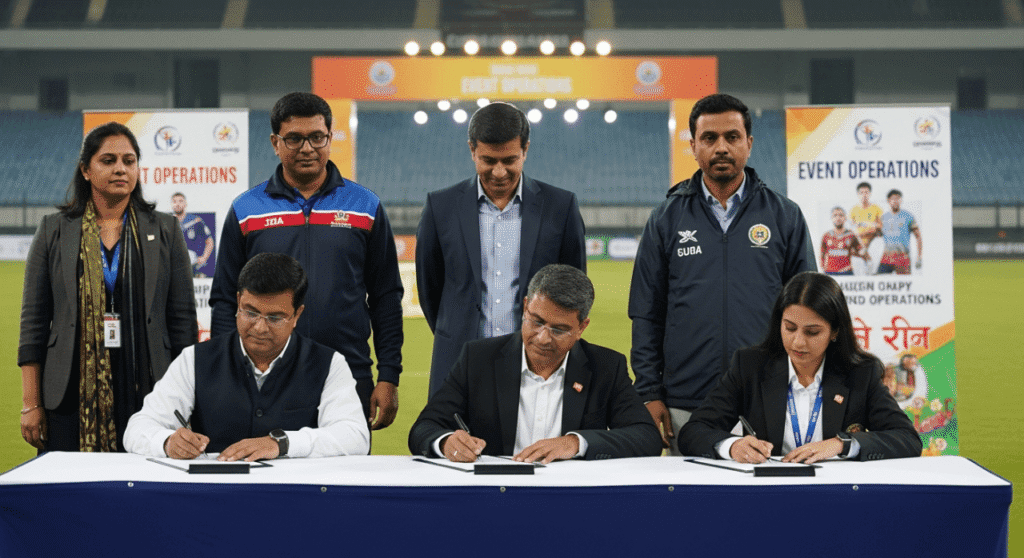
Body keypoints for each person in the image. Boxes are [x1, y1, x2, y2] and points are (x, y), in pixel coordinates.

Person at [628, 93, 816, 454]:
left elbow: (808, 312)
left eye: (732, 137)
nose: (721, 148)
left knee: (772, 501)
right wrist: (649, 393)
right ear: (693, 146)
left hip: (769, 396)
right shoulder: (666, 219)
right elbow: (646, 314)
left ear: (749, 143)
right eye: (709, 138)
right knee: (690, 506)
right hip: (686, 400)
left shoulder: (784, 216)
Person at [210, 92, 403, 430]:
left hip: (347, 371)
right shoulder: (246, 209)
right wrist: (227, 372)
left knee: (346, 478)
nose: (307, 148)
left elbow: (386, 297)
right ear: (275, 142)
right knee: (270, 476)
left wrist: (388, 375)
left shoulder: (365, 205)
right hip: (265, 373)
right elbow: (225, 298)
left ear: (330, 137)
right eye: (294, 139)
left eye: (317, 137)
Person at [19, 122, 197, 452]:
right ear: (86, 170)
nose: (120, 169)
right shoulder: (54, 230)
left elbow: (183, 322)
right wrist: (31, 403)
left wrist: (185, 400)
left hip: (148, 387)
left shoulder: (166, 230)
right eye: (108, 160)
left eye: (129, 161)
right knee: (70, 492)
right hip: (70, 391)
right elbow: (33, 323)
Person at [125, 253, 370, 460]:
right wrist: (167, 441)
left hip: (295, 501)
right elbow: (138, 428)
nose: (260, 328)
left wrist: (282, 443)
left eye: (275, 318)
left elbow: (356, 436)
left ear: (297, 315)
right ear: (238, 302)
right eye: (250, 312)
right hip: (216, 500)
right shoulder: (195, 359)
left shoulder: (329, 364)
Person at [416, 102, 586, 397]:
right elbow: (430, 289)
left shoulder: (560, 207)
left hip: (537, 367)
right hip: (459, 363)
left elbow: (574, 290)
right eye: (488, 160)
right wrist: (456, 330)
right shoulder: (440, 207)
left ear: (526, 150)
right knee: (457, 444)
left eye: (509, 160)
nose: (498, 172)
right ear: (472, 150)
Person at [409, 264, 661, 463]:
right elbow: (424, 427)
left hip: (571, 499)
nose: (543, 338)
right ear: (526, 307)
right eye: (536, 321)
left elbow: (647, 438)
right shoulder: (478, 358)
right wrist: (444, 442)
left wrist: (575, 443)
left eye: (559, 330)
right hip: (494, 497)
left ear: (582, 327)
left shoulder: (606, 366)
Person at [678, 271, 922, 463]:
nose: (798, 342)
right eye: (790, 328)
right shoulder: (750, 366)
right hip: (766, 494)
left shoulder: (860, 373)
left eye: (812, 332)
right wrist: (732, 446)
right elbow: (694, 431)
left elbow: (907, 439)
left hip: (837, 496)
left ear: (835, 332)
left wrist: (841, 444)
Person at [878, 189, 922, 274]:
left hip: (902, 256)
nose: (895, 201)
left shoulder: (908, 216)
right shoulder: (883, 217)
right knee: (880, 281)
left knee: (905, 284)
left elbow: (918, 236)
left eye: (897, 198)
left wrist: (919, 257)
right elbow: (879, 234)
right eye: (892, 199)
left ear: (901, 200)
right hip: (887, 256)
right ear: (888, 201)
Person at [170, 192, 214, 277]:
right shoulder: (167, 222)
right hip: (173, 267)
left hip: (193, 266)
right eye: (174, 201)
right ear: (171, 204)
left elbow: (210, 241)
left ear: (185, 203)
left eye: (180, 201)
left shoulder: (196, 221)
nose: (177, 204)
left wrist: (204, 257)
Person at [820, 206, 864, 275]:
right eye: (835, 215)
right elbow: (822, 254)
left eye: (841, 215)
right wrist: (823, 268)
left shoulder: (851, 235)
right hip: (830, 273)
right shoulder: (826, 236)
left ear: (845, 218)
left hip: (846, 271)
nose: (838, 218)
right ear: (831, 218)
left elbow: (861, 251)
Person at [850, 181, 882, 275]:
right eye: (861, 192)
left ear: (870, 194)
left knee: (872, 271)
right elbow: (851, 227)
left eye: (866, 192)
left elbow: (880, 226)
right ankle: (867, 258)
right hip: (859, 242)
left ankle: (868, 260)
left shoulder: (876, 208)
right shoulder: (854, 210)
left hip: (872, 240)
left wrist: (866, 224)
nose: (864, 195)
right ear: (858, 194)